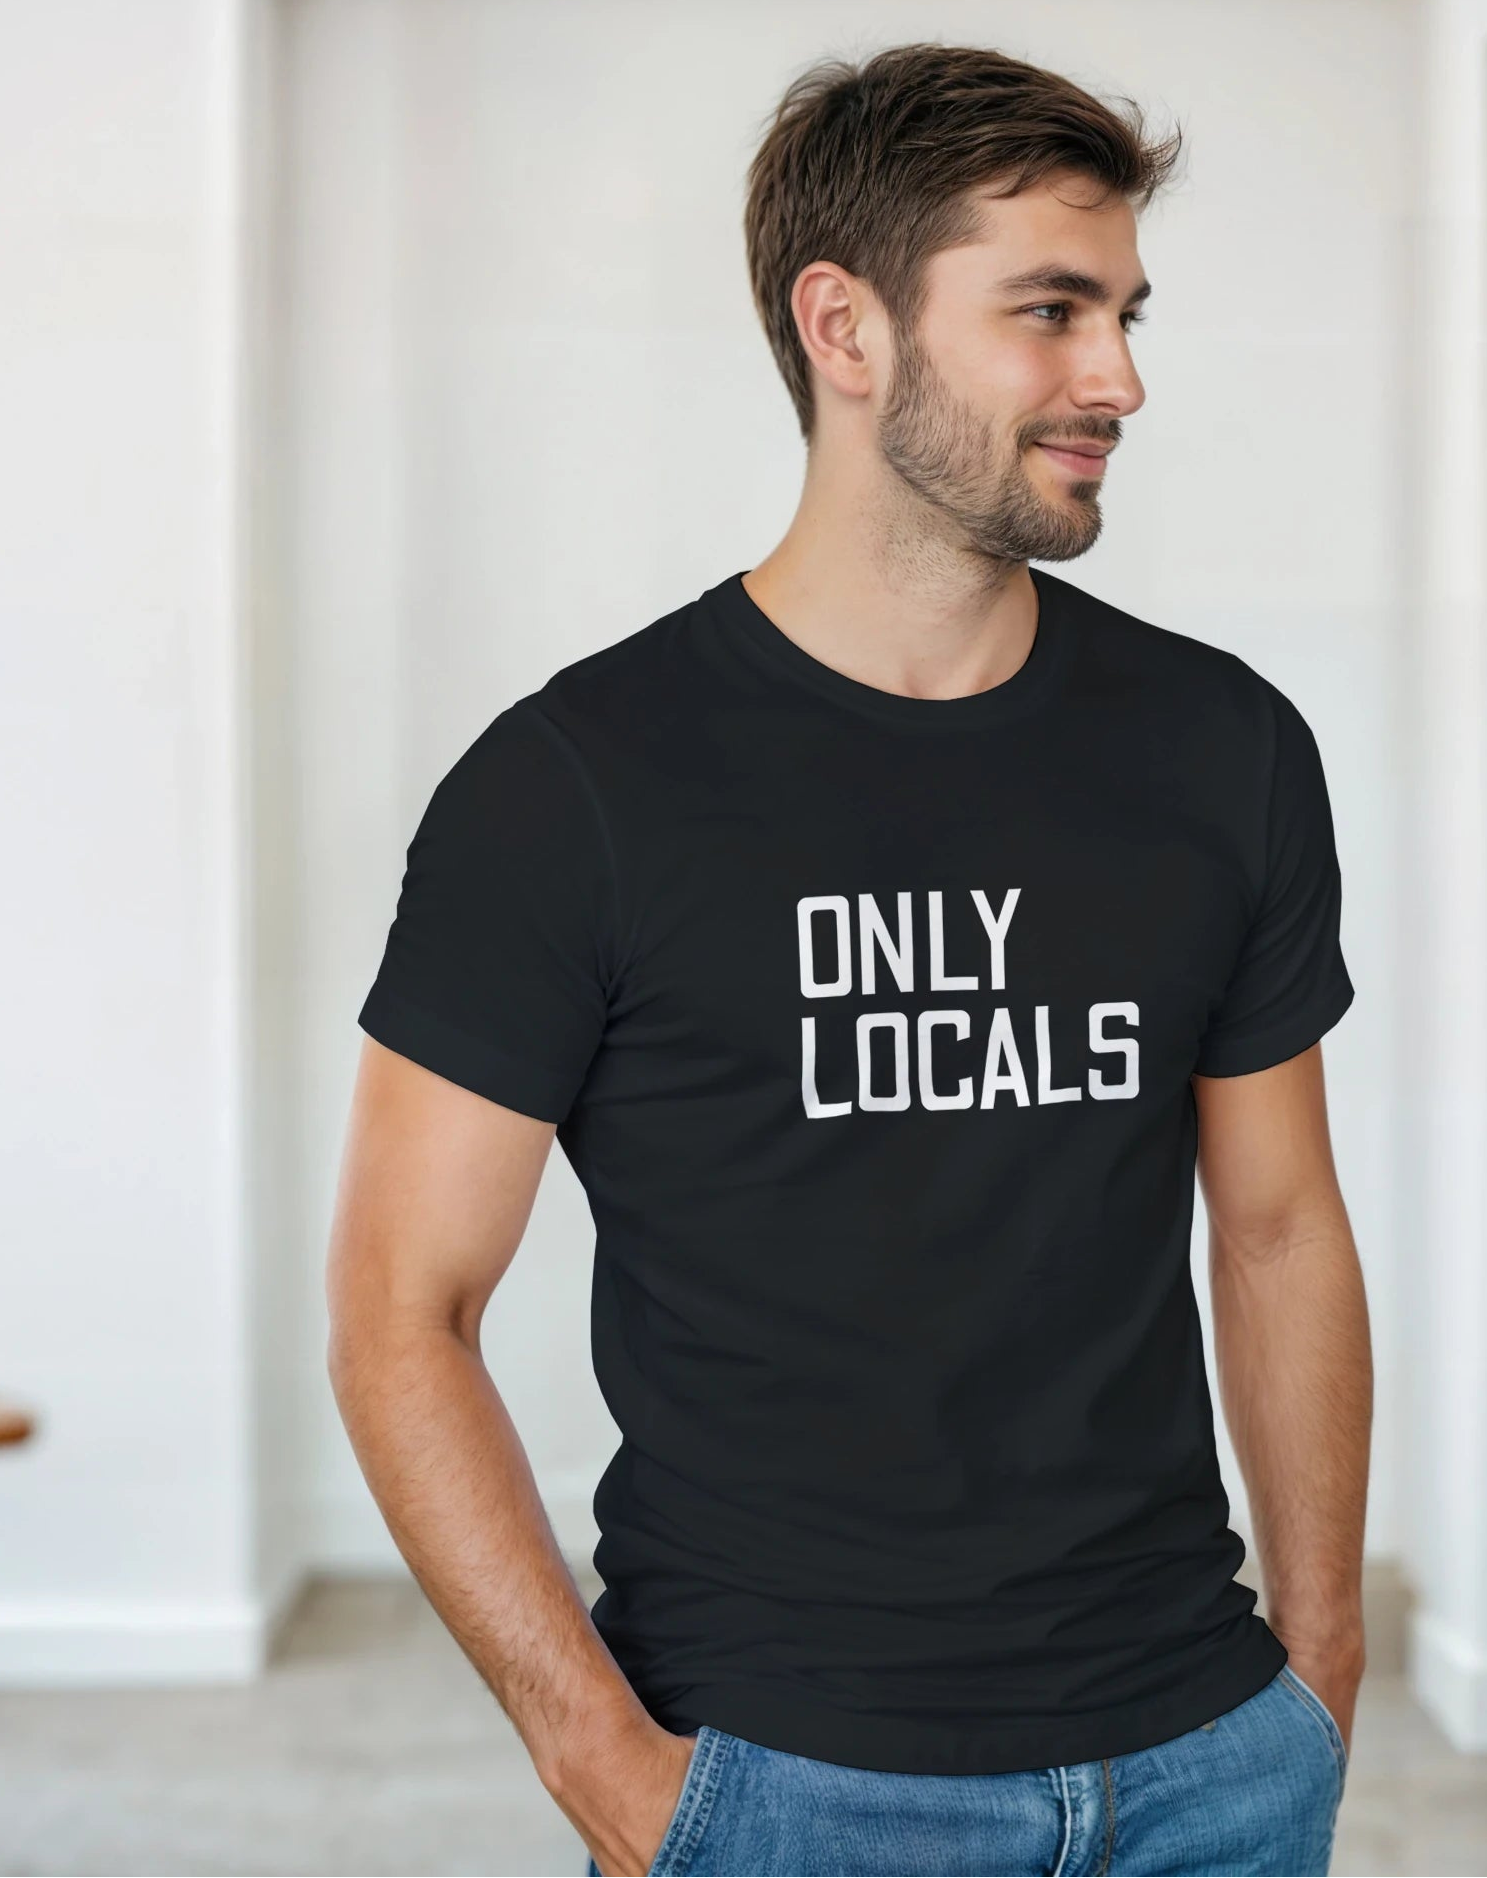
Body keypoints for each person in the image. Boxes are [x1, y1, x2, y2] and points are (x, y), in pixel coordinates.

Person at [327, 40, 1370, 1878]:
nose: (1116, 375)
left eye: (1124, 310)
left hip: (1203, 1762)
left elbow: (1276, 1225)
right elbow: (400, 1311)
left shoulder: (1225, 750)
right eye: (1049, 309)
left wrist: (1319, 1672)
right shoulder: (572, 789)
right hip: (779, 1781)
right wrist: (610, 1774)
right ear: (845, 324)